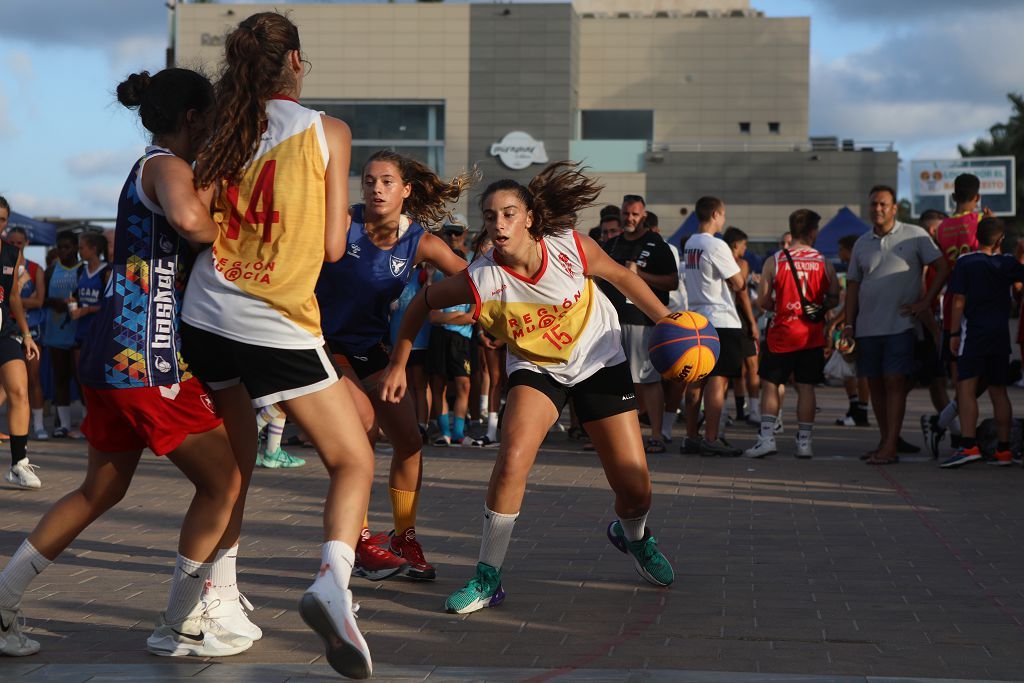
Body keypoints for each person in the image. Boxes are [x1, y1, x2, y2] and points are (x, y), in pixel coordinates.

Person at [0, 68, 251, 660]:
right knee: (224, 482)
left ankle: (3, 599)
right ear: (193, 117)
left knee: (100, 490)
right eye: (212, 120)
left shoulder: (157, 167)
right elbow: (192, 224)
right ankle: (179, 625)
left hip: (114, 352)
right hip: (147, 357)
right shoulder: (164, 165)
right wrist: (237, 228)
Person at [380, 162, 675, 614]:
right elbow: (421, 303)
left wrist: (668, 321)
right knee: (512, 457)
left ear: (530, 219)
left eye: (509, 214)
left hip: (598, 358)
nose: (499, 224)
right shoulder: (483, 277)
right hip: (537, 367)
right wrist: (399, 363)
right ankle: (487, 578)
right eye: (490, 216)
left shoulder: (571, 247)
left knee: (636, 490)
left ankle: (633, 536)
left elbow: (624, 278)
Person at [185, 12, 375, 678]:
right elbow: (332, 246)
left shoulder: (223, 127)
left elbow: (198, 217)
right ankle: (333, 583)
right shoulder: (328, 131)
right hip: (274, 317)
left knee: (237, 463)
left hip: (205, 311)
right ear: (295, 59)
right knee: (353, 458)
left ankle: (216, 596)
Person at [316, 149, 471, 582]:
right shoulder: (341, 222)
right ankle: (360, 540)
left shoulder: (420, 242)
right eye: (369, 181)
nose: (376, 189)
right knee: (362, 429)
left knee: (409, 440)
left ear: (406, 190)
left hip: (370, 347)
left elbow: (476, 279)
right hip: (322, 342)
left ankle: (403, 537)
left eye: (387, 181)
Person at [841, 185, 947, 465]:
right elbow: (853, 286)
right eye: (873, 204)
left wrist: (926, 301)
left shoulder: (915, 235)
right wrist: (848, 325)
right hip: (867, 328)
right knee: (875, 385)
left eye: (883, 204)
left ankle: (889, 447)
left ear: (894, 208)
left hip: (901, 326)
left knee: (895, 382)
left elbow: (943, 267)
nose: (877, 208)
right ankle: (886, 441)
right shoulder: (862, 242)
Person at [744, 210, 838, 459]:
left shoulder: (775, 260)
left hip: (782, 333)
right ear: (813, 232)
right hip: (811, 334)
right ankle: (804, 443)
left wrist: (783, 305)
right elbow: (834, 296)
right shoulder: (824, 261)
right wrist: (819, 307)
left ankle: (767, 439)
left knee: (771, 384)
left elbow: (763, 301)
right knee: (806, 387)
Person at [940, 218, 1024, 467]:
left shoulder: (966, 262)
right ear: (1001, 240)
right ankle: (1004, 450)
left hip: (974, 334)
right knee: (999, 390)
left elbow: (958, 300)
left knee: (966, 388)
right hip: (999, 334)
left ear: (976, 237)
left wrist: (954, 334)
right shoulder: (1008, 263)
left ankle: (968, 446)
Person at [599, 194, 678, 453]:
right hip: (609, 322)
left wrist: (639, 275)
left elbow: (672, 282)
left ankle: (656, 435)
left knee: (647, 379)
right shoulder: (612, 244)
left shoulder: (657, 245)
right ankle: (614, 437)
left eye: (634, 214)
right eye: (626, 213)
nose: (630, 218)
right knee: (614, 380)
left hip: (641, 321)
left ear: (643, 216)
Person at [680, 196, 748, 457]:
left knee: (696, 379)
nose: (724, 219)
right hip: (721, 319)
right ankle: (711, 438)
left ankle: (691, 436)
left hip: (697, 317)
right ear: (716, 214)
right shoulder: (716, 244)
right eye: (723, 214)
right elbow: (739, 283)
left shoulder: (691, 243)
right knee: (717, 380)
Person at [0, 207, 41, 491]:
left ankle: (18, 464)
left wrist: (26, 334)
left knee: (18, 389)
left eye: (2, 219)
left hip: (5, 332)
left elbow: (14, 296)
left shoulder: (10, 254)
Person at [3, 226, 48, 440]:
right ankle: (16, 427)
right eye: (12, 242)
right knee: (8, 381)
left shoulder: (35, 268)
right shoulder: (5, 262)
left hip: (31, 328)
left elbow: (39, 301)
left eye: (19, 243)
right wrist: (15, 300)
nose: (15, 246)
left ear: (26, 244)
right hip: (7, 329)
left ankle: (38, 425)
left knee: (33, 377)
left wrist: (15, 300)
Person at [827, 233, 870, 427]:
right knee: (850, 371)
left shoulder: (860, 268)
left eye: (841, 250)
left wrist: (834, 322)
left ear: (851, 250)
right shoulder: (852, 268)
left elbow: (853, 302)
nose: (839, 254)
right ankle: (855, 408)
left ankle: (861, 411)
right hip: (853, 325)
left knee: (860, 371)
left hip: (861, 326)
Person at [41, 231, 81, 438]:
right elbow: (41, 299)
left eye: (67, 247)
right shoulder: (50, 271)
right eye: (60, 247)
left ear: (76, 248)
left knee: (81, 377)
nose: (63, 251)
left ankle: (87, 422)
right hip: (56, 330)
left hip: (77, 331)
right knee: (60, 377)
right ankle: (63, 424)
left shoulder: (82, 269)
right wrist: (54, 302)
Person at [722, 227, 761, 427]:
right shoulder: (740, 263)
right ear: (736, 245)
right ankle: (752, 411)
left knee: (730, 370)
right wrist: (752, 322)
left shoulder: (717, 261)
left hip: (722, 317)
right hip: (738, 317)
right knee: (750, 366)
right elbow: (742, 293)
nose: (746, 249)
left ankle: (728, 412)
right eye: (744, 245)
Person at [470, 231, 506, 448]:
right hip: (491, 332)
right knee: (495, 379)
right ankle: (491, 431)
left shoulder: (508, 267)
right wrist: (481, 334)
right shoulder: (479, 271)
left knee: (516, 382)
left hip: (513, 333)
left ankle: (512, 429)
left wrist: (505, 337)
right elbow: (479, 305)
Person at [69, 232, 112, 400]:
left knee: (99, 373)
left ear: (94, 249)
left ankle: (100, 409)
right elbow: (78, 295)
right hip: (81, 329)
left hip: (99, 329)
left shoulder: (107, 270)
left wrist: (88, 310)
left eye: (82, 248)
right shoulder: (81, 270)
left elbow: (111, 305)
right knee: (80, 372)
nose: (79, 252)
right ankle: (86, 408)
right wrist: (73, 301)